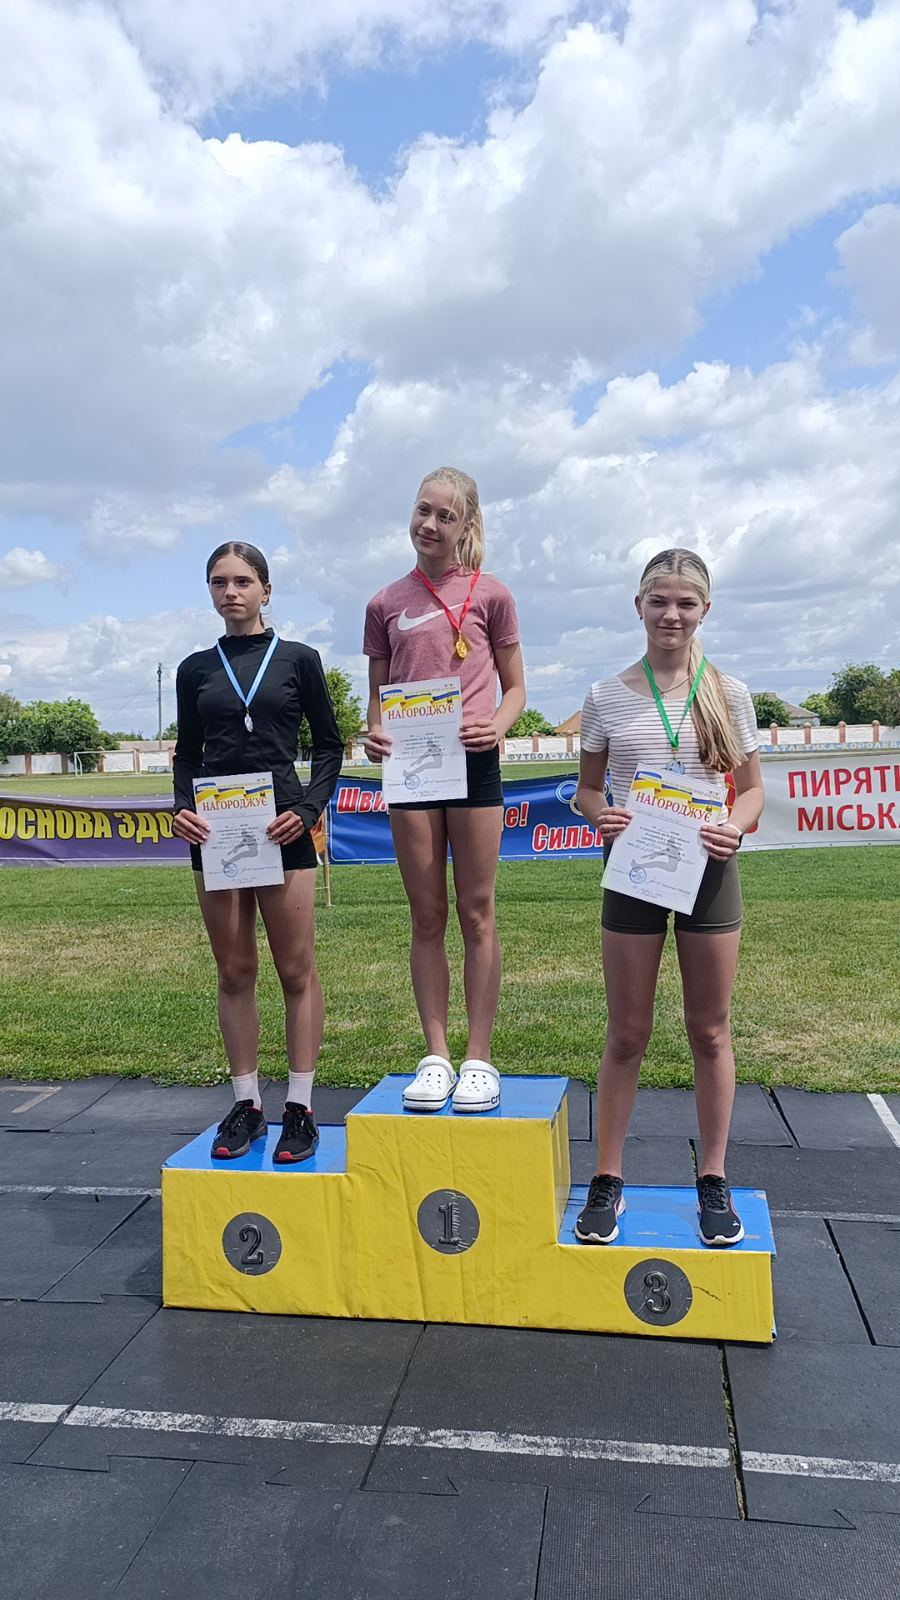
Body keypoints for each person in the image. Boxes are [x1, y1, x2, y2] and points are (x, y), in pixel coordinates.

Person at [575, 548, 765, 1246]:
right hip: (635, 871)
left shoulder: (728, 694)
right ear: (639, 606)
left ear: (705, 609)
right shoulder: (605, 695)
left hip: (708, 870)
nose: (671, 614)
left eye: (686, 603)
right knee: (627, 1032)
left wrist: (733, 827)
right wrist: (601, 815)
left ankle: (712, 1177)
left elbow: (752, 793)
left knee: (709, 1031)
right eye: (659, 601)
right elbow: (587, 790)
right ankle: (608, 1177)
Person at [172, 541, 344, 1163]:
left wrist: (308, 811)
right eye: (219, 582)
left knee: (295, 971)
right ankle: (246, 1103)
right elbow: (187, 753)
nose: (231, 592)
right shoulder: (195, 668)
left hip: (282, 828)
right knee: (234, 971)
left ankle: (300, 1106)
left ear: (266, 590)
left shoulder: (299, 659)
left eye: (243, 581)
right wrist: (181, 806)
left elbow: (330, 746)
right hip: (217, 831)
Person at [363, 467, 525, 1114]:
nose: (429, 525)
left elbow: (516, 689)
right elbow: (378, 697)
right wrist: (375, 733)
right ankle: (435, 1056)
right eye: (422, 510)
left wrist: (498, 725)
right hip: (412, 769)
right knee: (426, 915)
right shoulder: (384, 602)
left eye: (445, 516)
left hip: (473, 763)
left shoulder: (492, 594)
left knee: (477, 912)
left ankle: (478, 1058)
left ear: (467, 524)